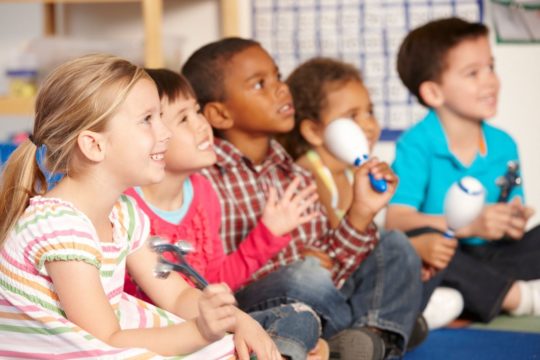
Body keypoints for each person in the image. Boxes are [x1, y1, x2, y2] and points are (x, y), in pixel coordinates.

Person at [0, 54, 280, 360]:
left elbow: (176, 295)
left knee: (231, 347)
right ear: (94, 145)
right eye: (147, 120)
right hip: (82, 348)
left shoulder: (122, 213)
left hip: (105, 337)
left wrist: (238, 320)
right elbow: (104, 342)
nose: (166, 133)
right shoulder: (58, 227)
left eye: (160, 117)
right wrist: (200, 331)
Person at [182, 38, 426, 360]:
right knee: (305, 276)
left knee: (393, 246)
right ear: (220, 114)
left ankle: (364, 340)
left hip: (320, 299)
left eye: (278, 76)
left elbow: (332, 269)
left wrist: (360, 213)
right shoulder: (204, 179)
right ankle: (377, 331)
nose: (281, 89)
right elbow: (212, 282)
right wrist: (300, 265)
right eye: (260, 84)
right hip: (258, 310)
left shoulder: (293, 174)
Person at [123, 68, 328, 360]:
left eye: (197, 112)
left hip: (207, 322)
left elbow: (215, 281)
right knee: (303, 289)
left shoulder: (203, 192)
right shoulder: (127, 205)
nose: (201, 124)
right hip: (164, 337)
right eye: (184, 118)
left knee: (299, 316)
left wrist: (267, 234)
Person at [281, 56, 464, 330]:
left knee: (426, 248)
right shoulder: (308, 173)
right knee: (403, 245)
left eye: (370, 111)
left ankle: (399, 317)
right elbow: (340, 248)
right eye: (353, 116)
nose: (368, 124)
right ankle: (398, 320)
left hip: (353, 277)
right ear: (313, 131)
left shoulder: (350, 172)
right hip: (328, 286)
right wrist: (413, 249)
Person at [386, 17, 540, 322]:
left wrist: (513, 220)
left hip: (492, 256)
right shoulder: (416, 144)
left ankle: (462, 298)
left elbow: (512, 206)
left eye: (491, 68)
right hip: (445, 255)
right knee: (410, 246)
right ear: (433, 93)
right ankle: (516, 298)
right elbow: (395, 220)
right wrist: (470, 226)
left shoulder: (503, 144)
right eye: (473, 73)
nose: (490, 81)